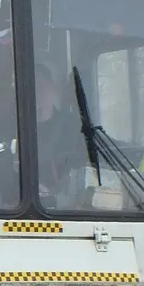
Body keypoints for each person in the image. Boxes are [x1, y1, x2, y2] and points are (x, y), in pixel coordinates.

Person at [35, 64, 87, 199]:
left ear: (52, 89)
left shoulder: (72, 126)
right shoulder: (11, 128)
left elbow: (88, 157)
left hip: (64, 203)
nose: (37, 92)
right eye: (32, 88)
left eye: (41, 87)